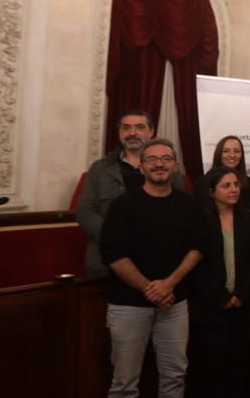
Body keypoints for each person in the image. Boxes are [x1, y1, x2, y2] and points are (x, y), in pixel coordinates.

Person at [98, 138, 208, 398]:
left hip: (175, 303)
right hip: (129, 306)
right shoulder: (123, 206)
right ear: (142, 166)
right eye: (152, 160)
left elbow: (198, 247)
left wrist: (170, 284)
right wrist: (150, 287)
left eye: (166, 159)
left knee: (175, 373)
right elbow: (114, 255)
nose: (159, 164)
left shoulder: (189, 206)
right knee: (124, 382)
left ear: (175, 166)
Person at [191, 167, 250, 398]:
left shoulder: (248, 218)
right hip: (212, 305)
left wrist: (242, 294)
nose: (234, 189)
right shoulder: (202, 219)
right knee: (213, 361)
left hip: (243, 303)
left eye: (236, 184)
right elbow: (198, 264)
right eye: (226, 185)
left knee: (239, 358)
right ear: (212, 191)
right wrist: (221, 296)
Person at [77, 109, 185, 279]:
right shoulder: (100, 169)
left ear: (151, 131)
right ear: (119, 132)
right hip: (108, 265)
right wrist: (115, 237)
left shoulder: (167, 168)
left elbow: (181, 208)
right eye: (126, 128)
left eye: (140, 127)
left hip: (160, 261)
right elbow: (85, 212)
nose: (132, 133)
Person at [205, 135, 250, 212]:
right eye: (226, 151)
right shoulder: (206, 181)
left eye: (237, 151)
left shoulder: (248, 182)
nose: (232, 155)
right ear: (219, 153)